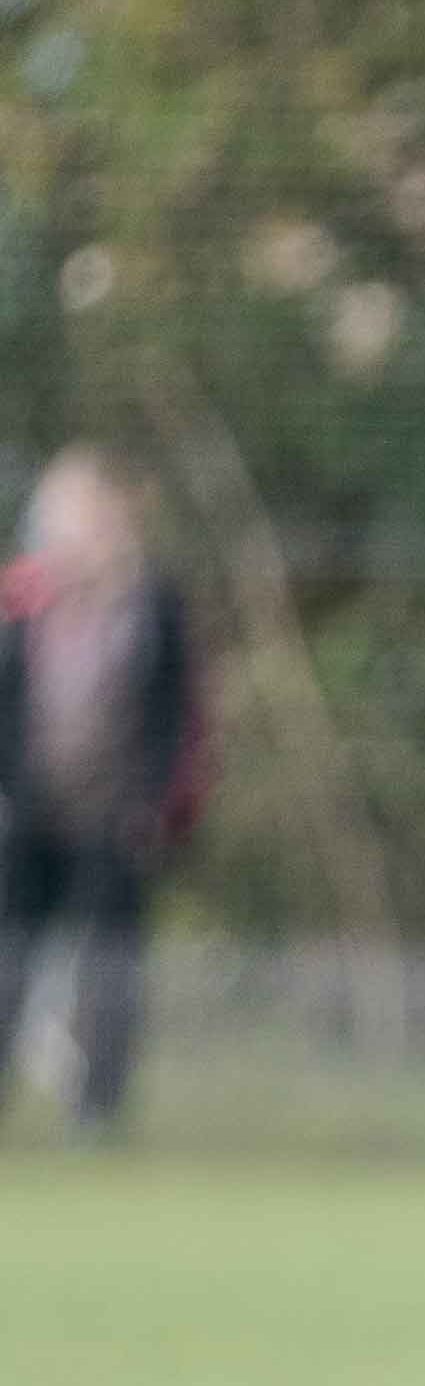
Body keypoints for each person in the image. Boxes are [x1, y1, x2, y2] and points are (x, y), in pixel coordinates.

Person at [0, 447, 203, 1138]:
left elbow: (182, 714)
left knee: (110, 966)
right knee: (10, 954)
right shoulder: (20, 600)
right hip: (28, 813)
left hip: (118, 816)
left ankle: (96, 1112)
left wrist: (158, 803)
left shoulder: (151, 605)